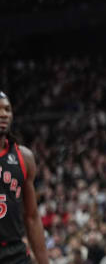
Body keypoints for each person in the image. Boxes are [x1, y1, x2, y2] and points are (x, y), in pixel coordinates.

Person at [0, 92, 49, 264]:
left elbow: (32, 216)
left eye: (7, 109)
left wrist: (44, 262)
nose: (4, 113)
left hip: (15, 253)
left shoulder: (24, 157)